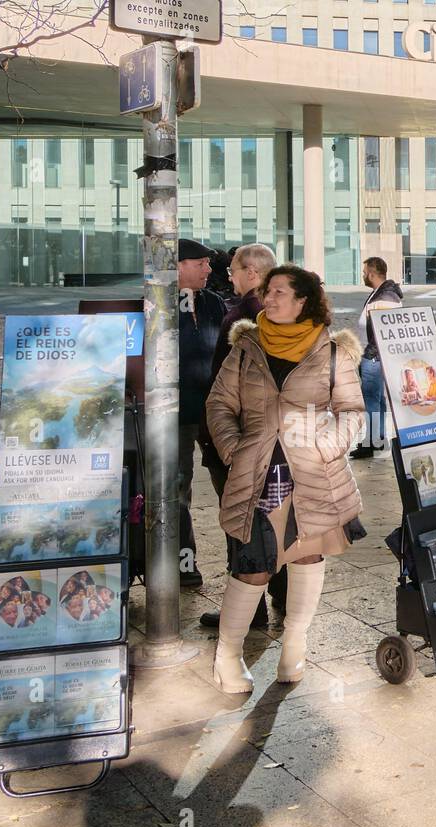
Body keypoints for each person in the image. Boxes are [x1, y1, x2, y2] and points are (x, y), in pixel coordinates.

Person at [205, 265, 365, 692]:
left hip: (312, 477)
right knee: (252, 567)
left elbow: (352, 413)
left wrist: (324, 448)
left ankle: (295, 644)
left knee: (308, 557)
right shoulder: (246, 347)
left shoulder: (333, 352)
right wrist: (234, 449)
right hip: (256, 475)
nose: (268, 299)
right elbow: (219, 405)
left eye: (278, 292)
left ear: (303, 302)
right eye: (266, 291)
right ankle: (228, 655)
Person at [199, 242, 283, 631]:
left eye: (233, 272)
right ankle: (280, 598)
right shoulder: (285, 314)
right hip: (274, 446)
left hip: (241, 445)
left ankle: (249, 611)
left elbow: (228, 391)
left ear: (252, 273)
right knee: (277, 520)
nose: (229, 279)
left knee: (241, 526)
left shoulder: (244, 318)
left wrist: (228, 448)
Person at [177, 238, 227, 589]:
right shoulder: (156, 304)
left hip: (214, 411)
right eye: (201, 264)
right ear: (179, 265)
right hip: (175, 415)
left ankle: (242, 564)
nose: (209, 270)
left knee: (230, 484)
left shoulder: (215, 303)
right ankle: (185, 563)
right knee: (177, 489)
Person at [351, 256, 401, 460]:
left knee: (371, 399)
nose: (363, 276)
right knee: (377, 399)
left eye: (364, 273)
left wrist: (370, 354)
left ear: (372, 274)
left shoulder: (385, 298)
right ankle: (378, 437)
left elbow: (383, 331)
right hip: (374, 355)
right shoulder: (379, 294)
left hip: (374, 356)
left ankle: (372, 441)